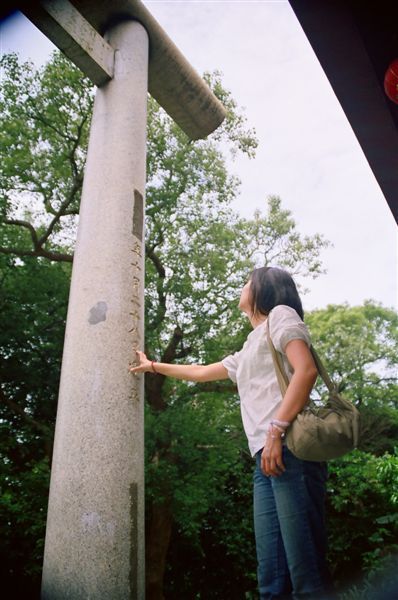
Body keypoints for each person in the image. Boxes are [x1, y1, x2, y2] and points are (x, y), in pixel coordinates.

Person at [130, 266, 332, 599]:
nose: (242, 287)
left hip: (289, 449)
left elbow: (305, 370)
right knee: (271, 581)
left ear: (264, 289)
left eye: (246, 282)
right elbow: (200, 372)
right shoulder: (253, 342)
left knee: (307, 577)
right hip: (265, 460)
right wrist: (153, 366)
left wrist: (275, 431)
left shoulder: (282, 315)